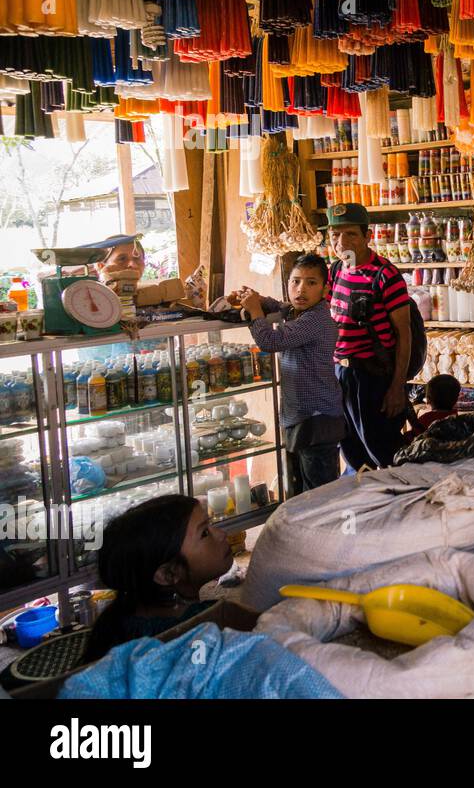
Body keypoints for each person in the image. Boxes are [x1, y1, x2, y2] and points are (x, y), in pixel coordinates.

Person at [227, 255, 345, 494]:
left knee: (319, 496)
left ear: (325, 289)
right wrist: (258, 299)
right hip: (301, 416)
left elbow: (270, 341)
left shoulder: (315, 320)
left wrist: (254, 312)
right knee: (299, 491)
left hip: (317, 419)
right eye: (295, 282)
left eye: (311, 283)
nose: (301, 289)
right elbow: (280, 306)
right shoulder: (297, 312)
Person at [83, 495, 232, 663]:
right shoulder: (190, 635)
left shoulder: (123, 623)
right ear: (167, 574)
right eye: (204, 533)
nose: (221, 534)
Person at [323, 202, 413, 471]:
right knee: (351, 449)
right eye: (335, 235)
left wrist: (397, 387)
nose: (341, 242)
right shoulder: (336, 271)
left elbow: (404, 335)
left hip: (373, 377)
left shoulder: (386, 276)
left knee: (382, 450)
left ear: (367, 236)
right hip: (341, 374)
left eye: (350, 234)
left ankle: (402, 501)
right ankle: (366, 504)